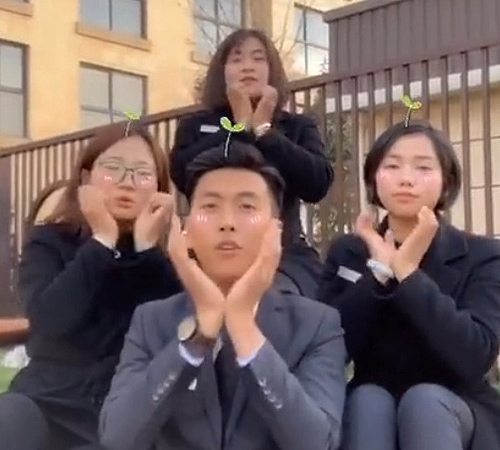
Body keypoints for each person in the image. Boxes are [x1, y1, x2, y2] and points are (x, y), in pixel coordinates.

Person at [99, 142, 346, 450]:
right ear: (186, 230)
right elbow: (117, 437)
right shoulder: (152, 321)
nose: (227, 222)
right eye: (210, 207)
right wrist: (196, 338)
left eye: (247, 207)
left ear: (276, 232)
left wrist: (242, 324)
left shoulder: (315, 325)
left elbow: (317, 443)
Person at [0, 121, 183, 450]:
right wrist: (101, 242)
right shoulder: (50, 241)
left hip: (121, 414)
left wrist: (146, 252)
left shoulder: (167, 260)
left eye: (142, 173)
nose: (127, 182)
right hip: (46, 400)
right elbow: (48, 322)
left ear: (160, 189)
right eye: (113, 168)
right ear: (86, 179)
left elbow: (174, 334)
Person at [318, 121, 500, 450]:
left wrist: (408, 275)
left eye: (423, 167)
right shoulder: (348, 252)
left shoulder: (482, 255)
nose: (406, 178)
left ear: (446, 182)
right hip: (371, 403)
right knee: (369, 401)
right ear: (373, 179)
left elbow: (475, 356)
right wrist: (379, 274)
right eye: (392, 166)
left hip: (457, 407)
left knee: (424, 402)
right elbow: (328, 350)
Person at [170, 28, 333, 298]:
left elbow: (318, 183)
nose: (248, 67)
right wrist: (238, 128)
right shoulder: (196, 125)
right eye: (237, 59)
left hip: (285, 254)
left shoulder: (297, 126)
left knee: (271, 300)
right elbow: (182, 173)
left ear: (272, 71)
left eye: (258, 58)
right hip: (211, 251)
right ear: (222, 72)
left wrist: (264, 132)